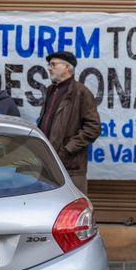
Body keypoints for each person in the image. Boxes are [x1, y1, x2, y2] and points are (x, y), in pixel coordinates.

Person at [36, 51, 102, 194]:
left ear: (67, 68)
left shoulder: (81, 92)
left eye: (53, 64)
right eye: (49, 64)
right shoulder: (50, 90)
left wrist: (67, 150)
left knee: (70, 210)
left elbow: (93, 128)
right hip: (47, 162)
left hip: (69, 166)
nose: (49, 68)